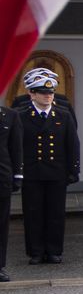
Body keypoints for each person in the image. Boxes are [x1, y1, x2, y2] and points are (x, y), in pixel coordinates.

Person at [18, 71, 79, 265]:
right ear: (32, 94)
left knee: (55, 213)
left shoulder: (63, 114)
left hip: (56, 170)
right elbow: (16, 146)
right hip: (32, 171)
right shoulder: (21, 115)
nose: (47, 96)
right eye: (42, 92)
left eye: (50, 92)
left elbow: (72, 144)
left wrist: (73, 169)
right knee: (33, 213)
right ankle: (35, 251)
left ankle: (54, 250)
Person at [0, 97, 17, 281]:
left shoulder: (9, 115)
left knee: (1, 224)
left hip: (1, 177)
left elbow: (15, 148)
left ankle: (0, 266)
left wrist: (16, 175)